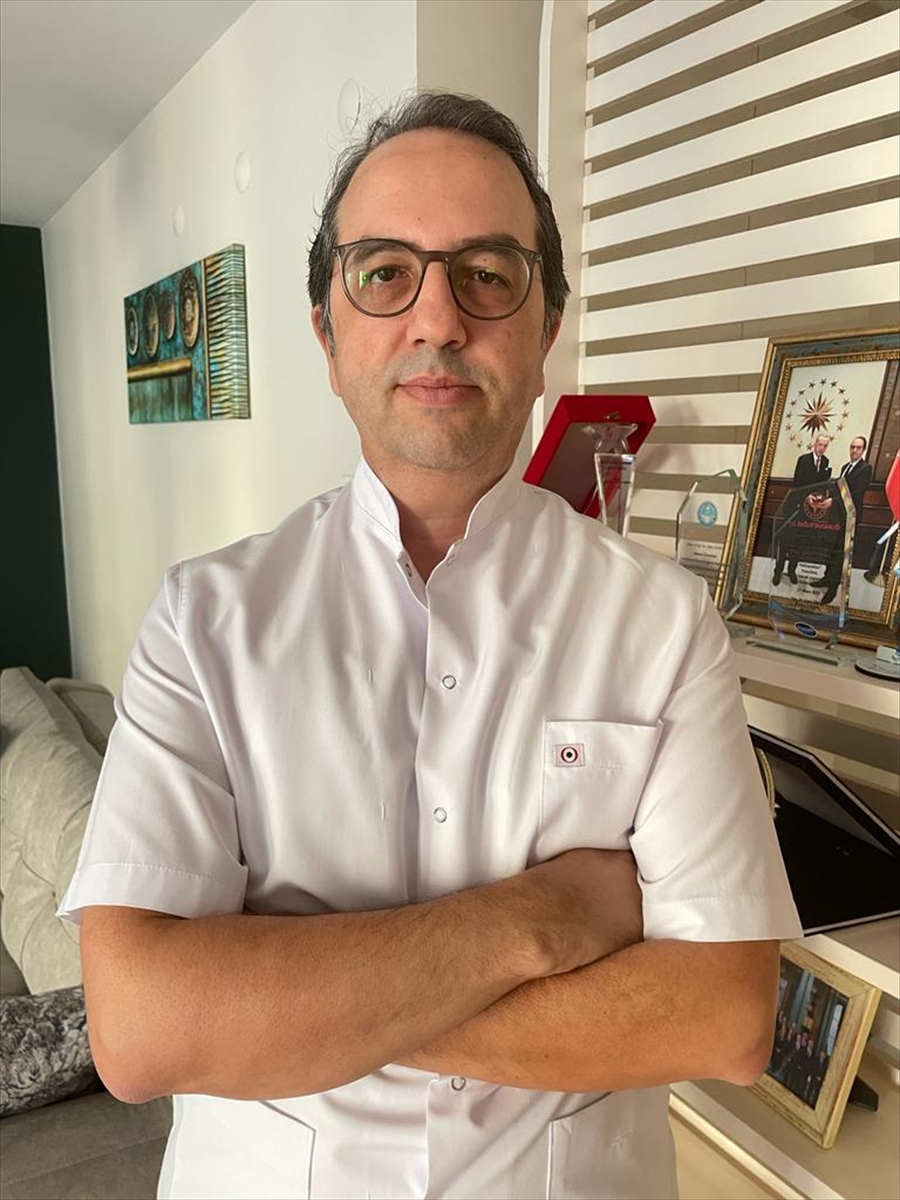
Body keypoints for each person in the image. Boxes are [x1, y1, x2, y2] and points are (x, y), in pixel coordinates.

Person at [61, 93, 800, 1200]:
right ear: (327, 335)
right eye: (385, 273)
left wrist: (284, 1004)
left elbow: (724, 1017)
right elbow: (142, 1029)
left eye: (489, 273)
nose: (440, 319)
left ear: (546, 330)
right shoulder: (202, 624)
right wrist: (546, 920)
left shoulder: (664, 622)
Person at [812, 435, 873, 603]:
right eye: (852, 447)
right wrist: (827, 497)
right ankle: (826, 578)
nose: (854, 450)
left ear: (863, 450)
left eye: (858, 448)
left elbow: (856, 493)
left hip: (850, 516)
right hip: (837, 515)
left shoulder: (865, 468)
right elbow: (840, 489)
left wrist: (833, 501)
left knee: (841, 553)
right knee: (832, 548)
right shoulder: (846, 467)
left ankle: (832, 588)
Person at [773, 434, 832, 585]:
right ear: (815, 444)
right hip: (795, 507)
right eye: (820, 444)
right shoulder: (803, 460)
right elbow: (797, 483)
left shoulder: (826, 462)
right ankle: (778, 571)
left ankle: (792, 570)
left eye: (825, 445)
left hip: (810, 512)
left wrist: (820, 498)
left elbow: (822, 485)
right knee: (786, 540)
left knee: (800, 543)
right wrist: (807, 497)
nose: (822, 448)